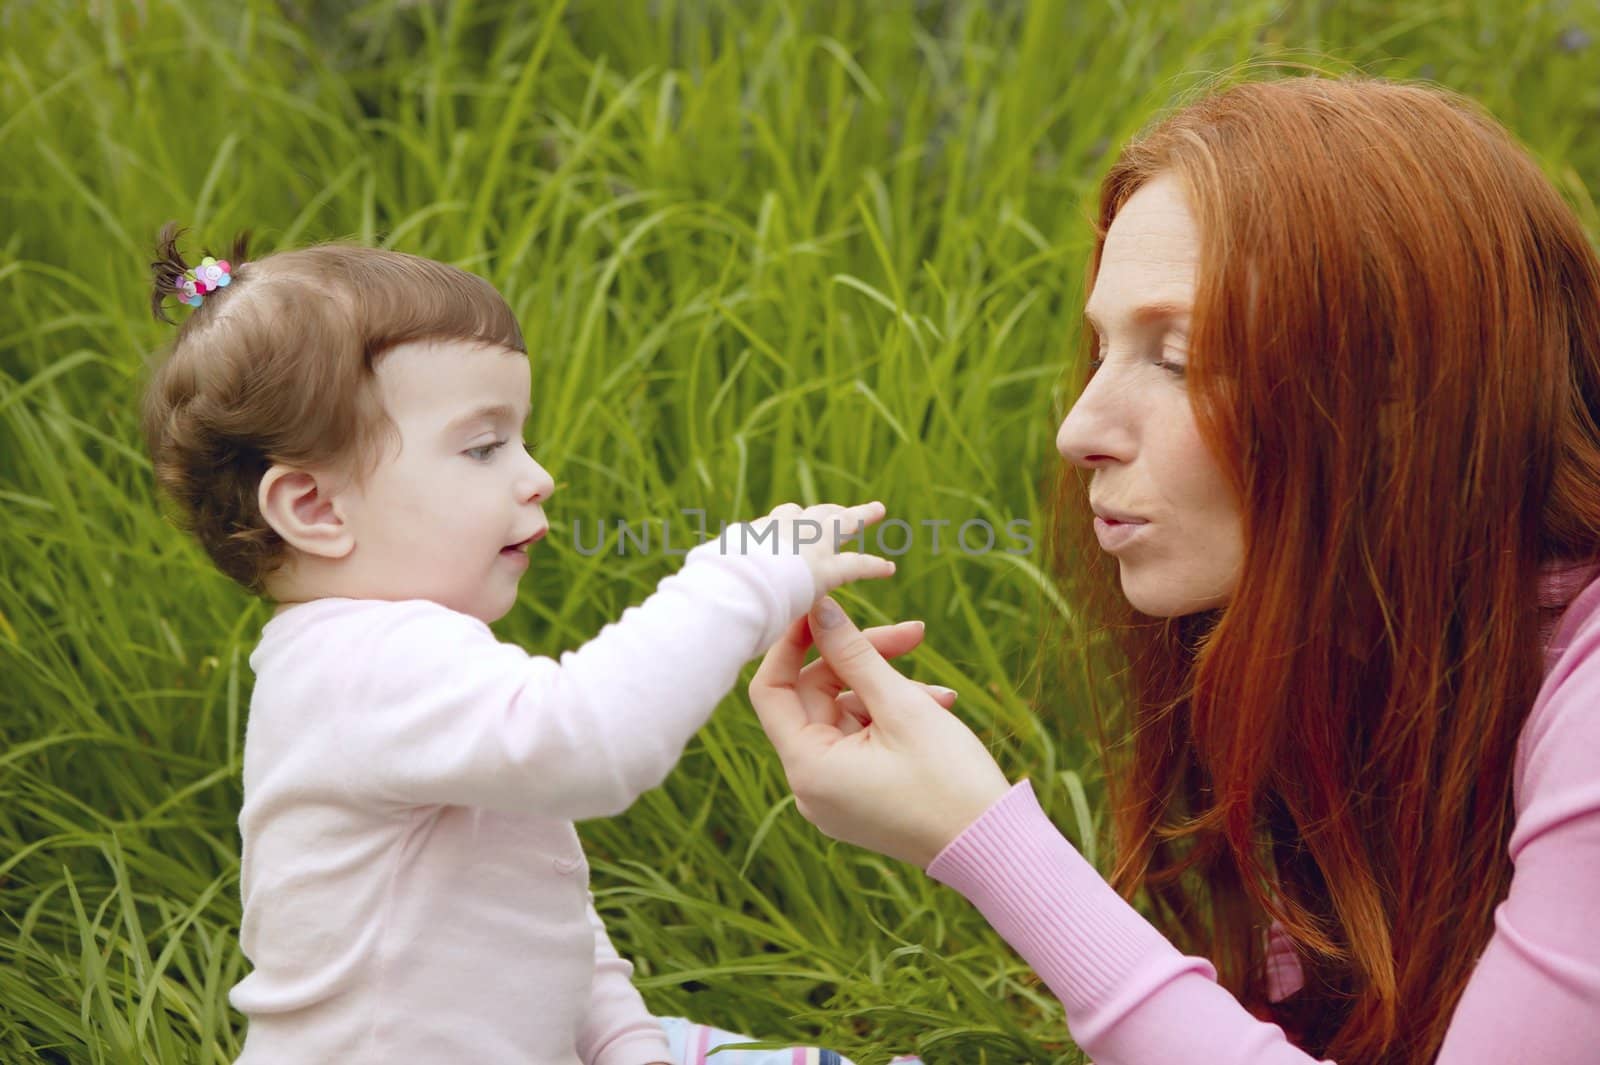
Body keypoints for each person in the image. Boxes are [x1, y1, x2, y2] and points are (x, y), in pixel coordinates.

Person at [749, 75, 1600, 1064]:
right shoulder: (1362, 641)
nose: (1079, 432)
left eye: (1179, 356)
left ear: (1403, 394)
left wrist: (985, 840)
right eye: (1105, 348)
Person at [140, 227, 928, 1064]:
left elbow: (542, 912)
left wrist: (629, 1045)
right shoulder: (363, 667)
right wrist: (740, 578)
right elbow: (589, 740)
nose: (538, 474)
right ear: (316, 508)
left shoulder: (407, 662)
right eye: (484, 447)